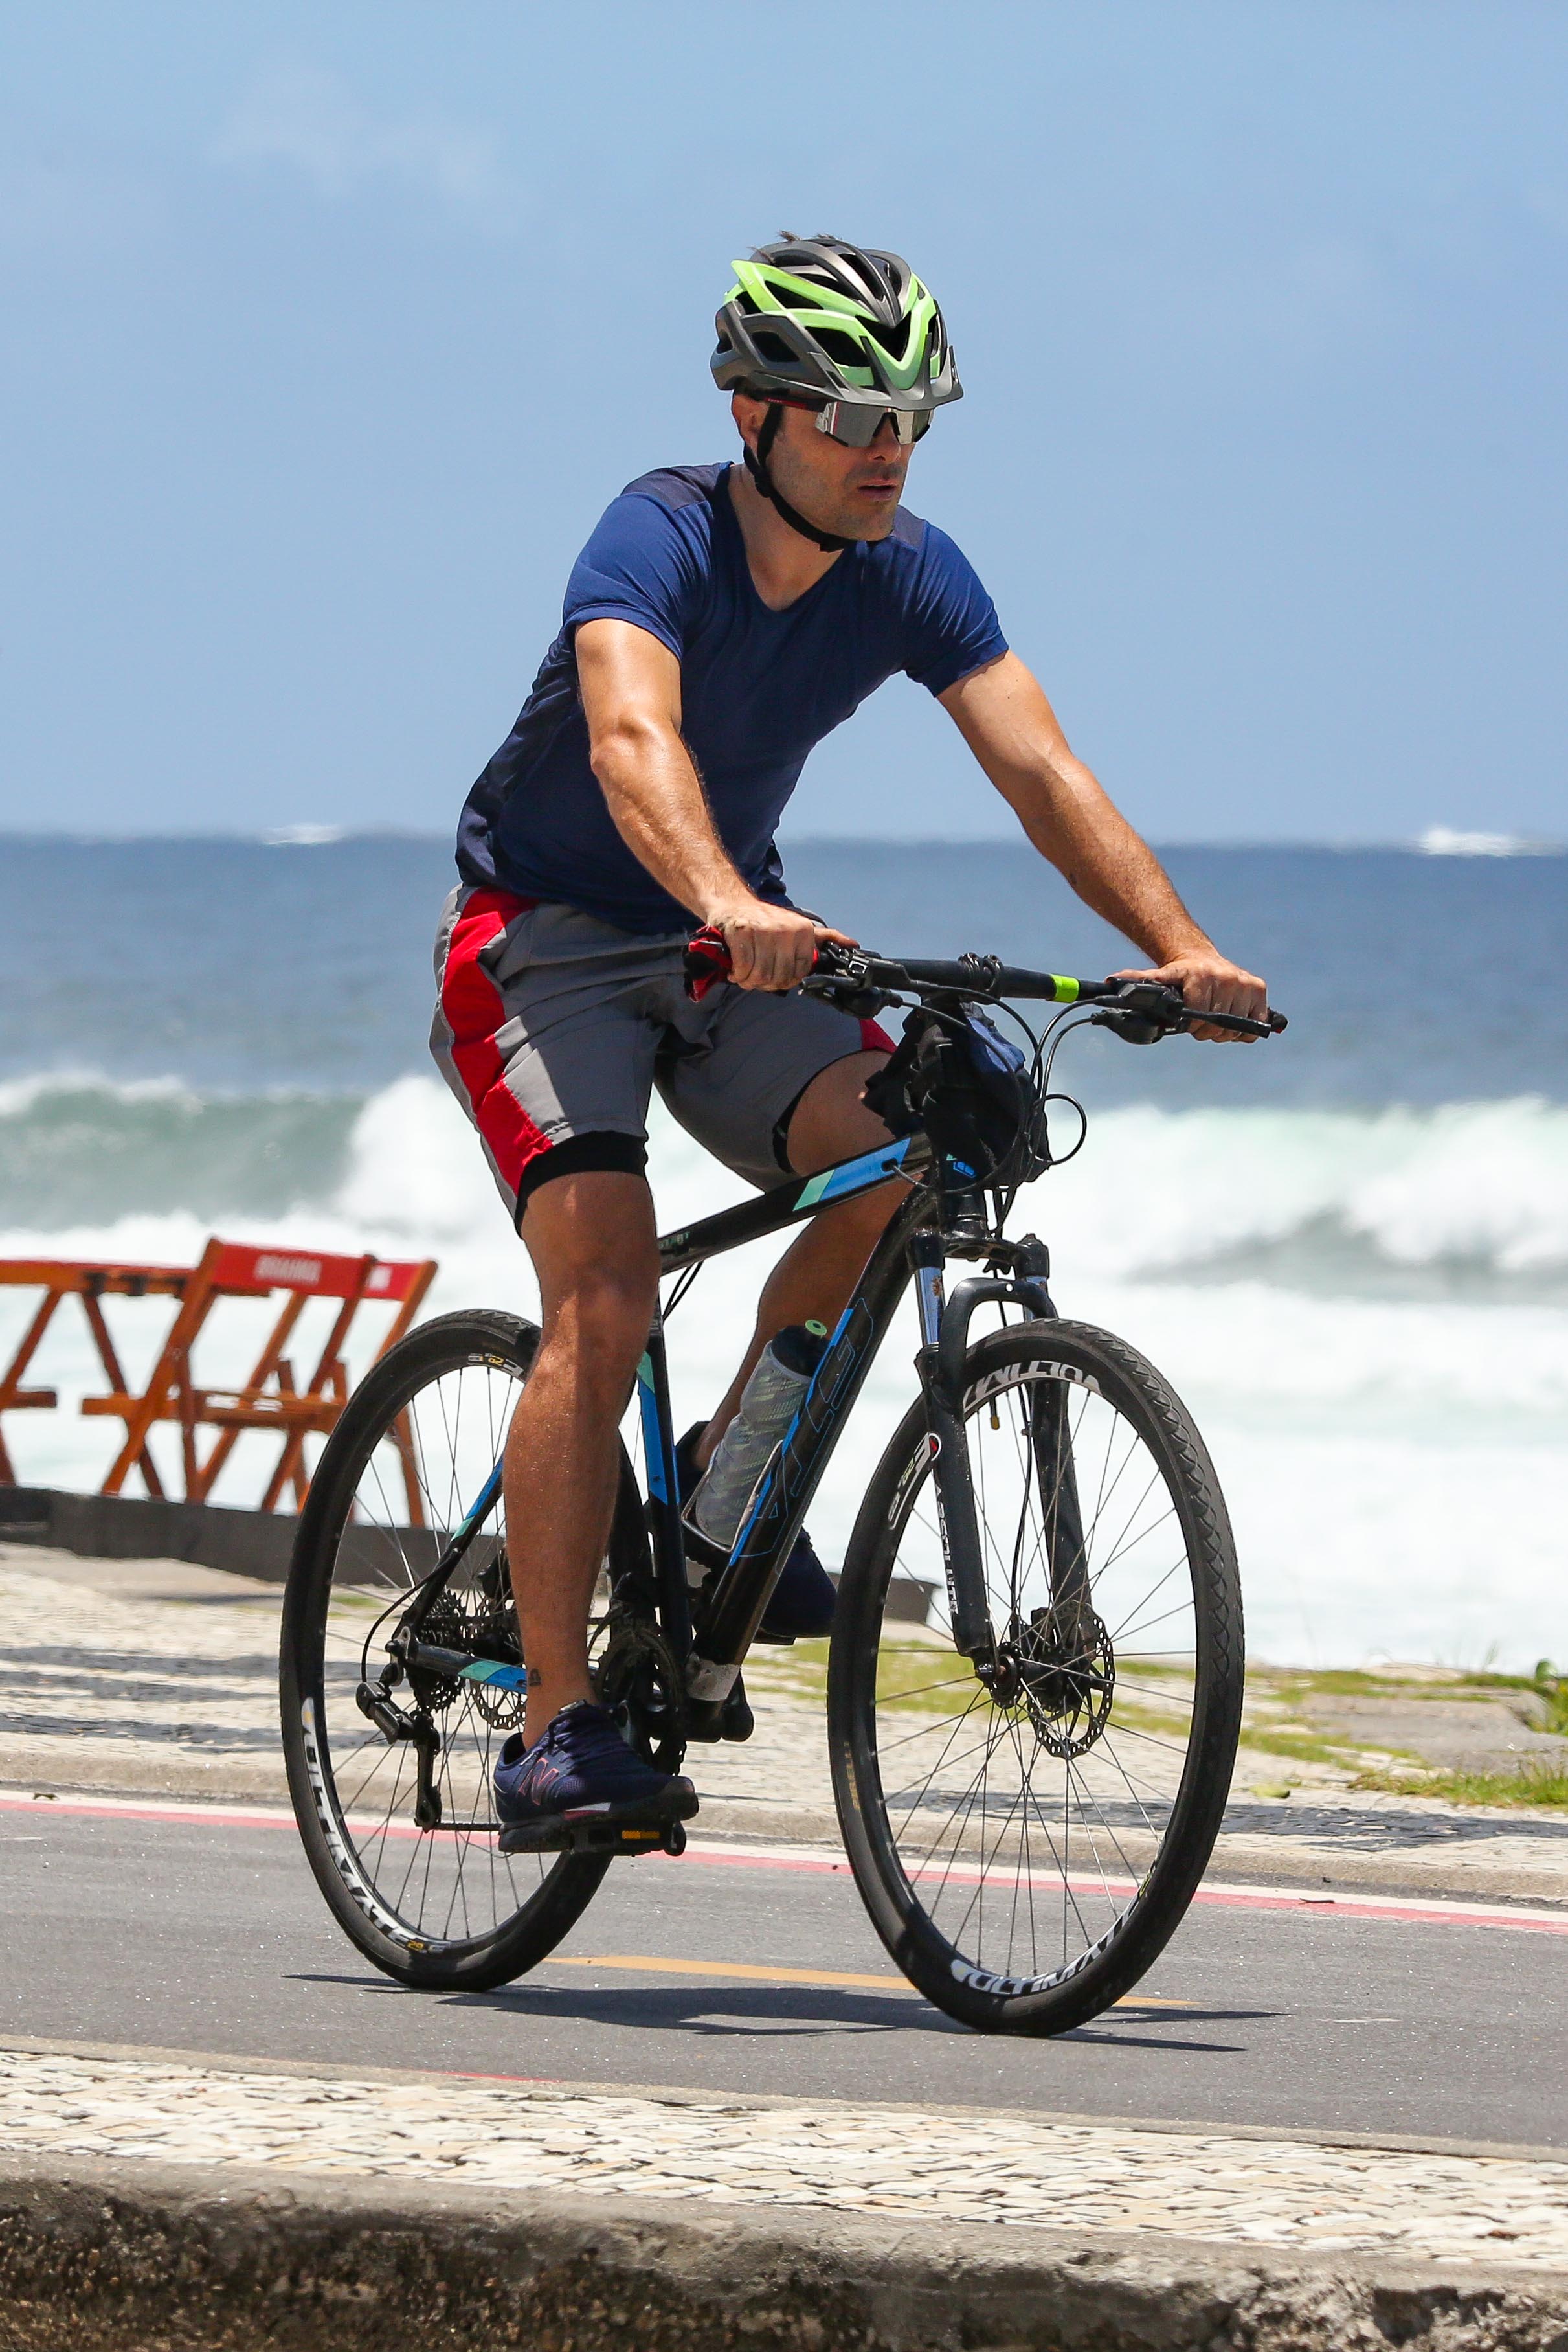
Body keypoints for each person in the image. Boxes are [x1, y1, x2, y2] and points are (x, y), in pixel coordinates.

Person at [431, 232, 1266, 1846]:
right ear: (753, 414)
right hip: (544, 946)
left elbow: (1040, 771)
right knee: (599, 1295)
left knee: (904, 1155)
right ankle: (550, 1725)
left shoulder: (909, 571)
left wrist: (1176, 948)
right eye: (846, 416)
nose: (885, 451)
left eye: (908, 419)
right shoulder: (655, 531)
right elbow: (627, 737)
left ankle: (727, 1481)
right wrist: (722, 893)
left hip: (736, 949)